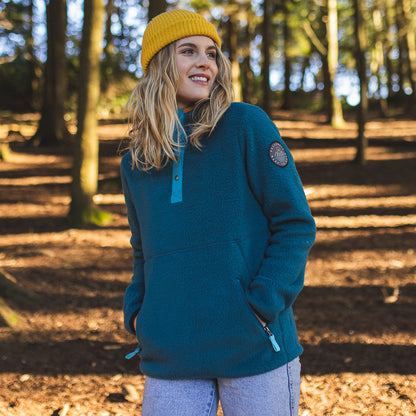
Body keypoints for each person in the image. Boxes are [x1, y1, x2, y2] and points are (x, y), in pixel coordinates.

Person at [120, 9, 316, 416]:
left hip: (253, 345)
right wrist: (139, 312)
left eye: (211, 53)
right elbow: (143, 250)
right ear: (158, 64)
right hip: (171, 351)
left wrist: (262, 304)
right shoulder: (136, 161)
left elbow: (295, 224)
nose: (205, 62)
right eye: (188, 51)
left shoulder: (245, 125)